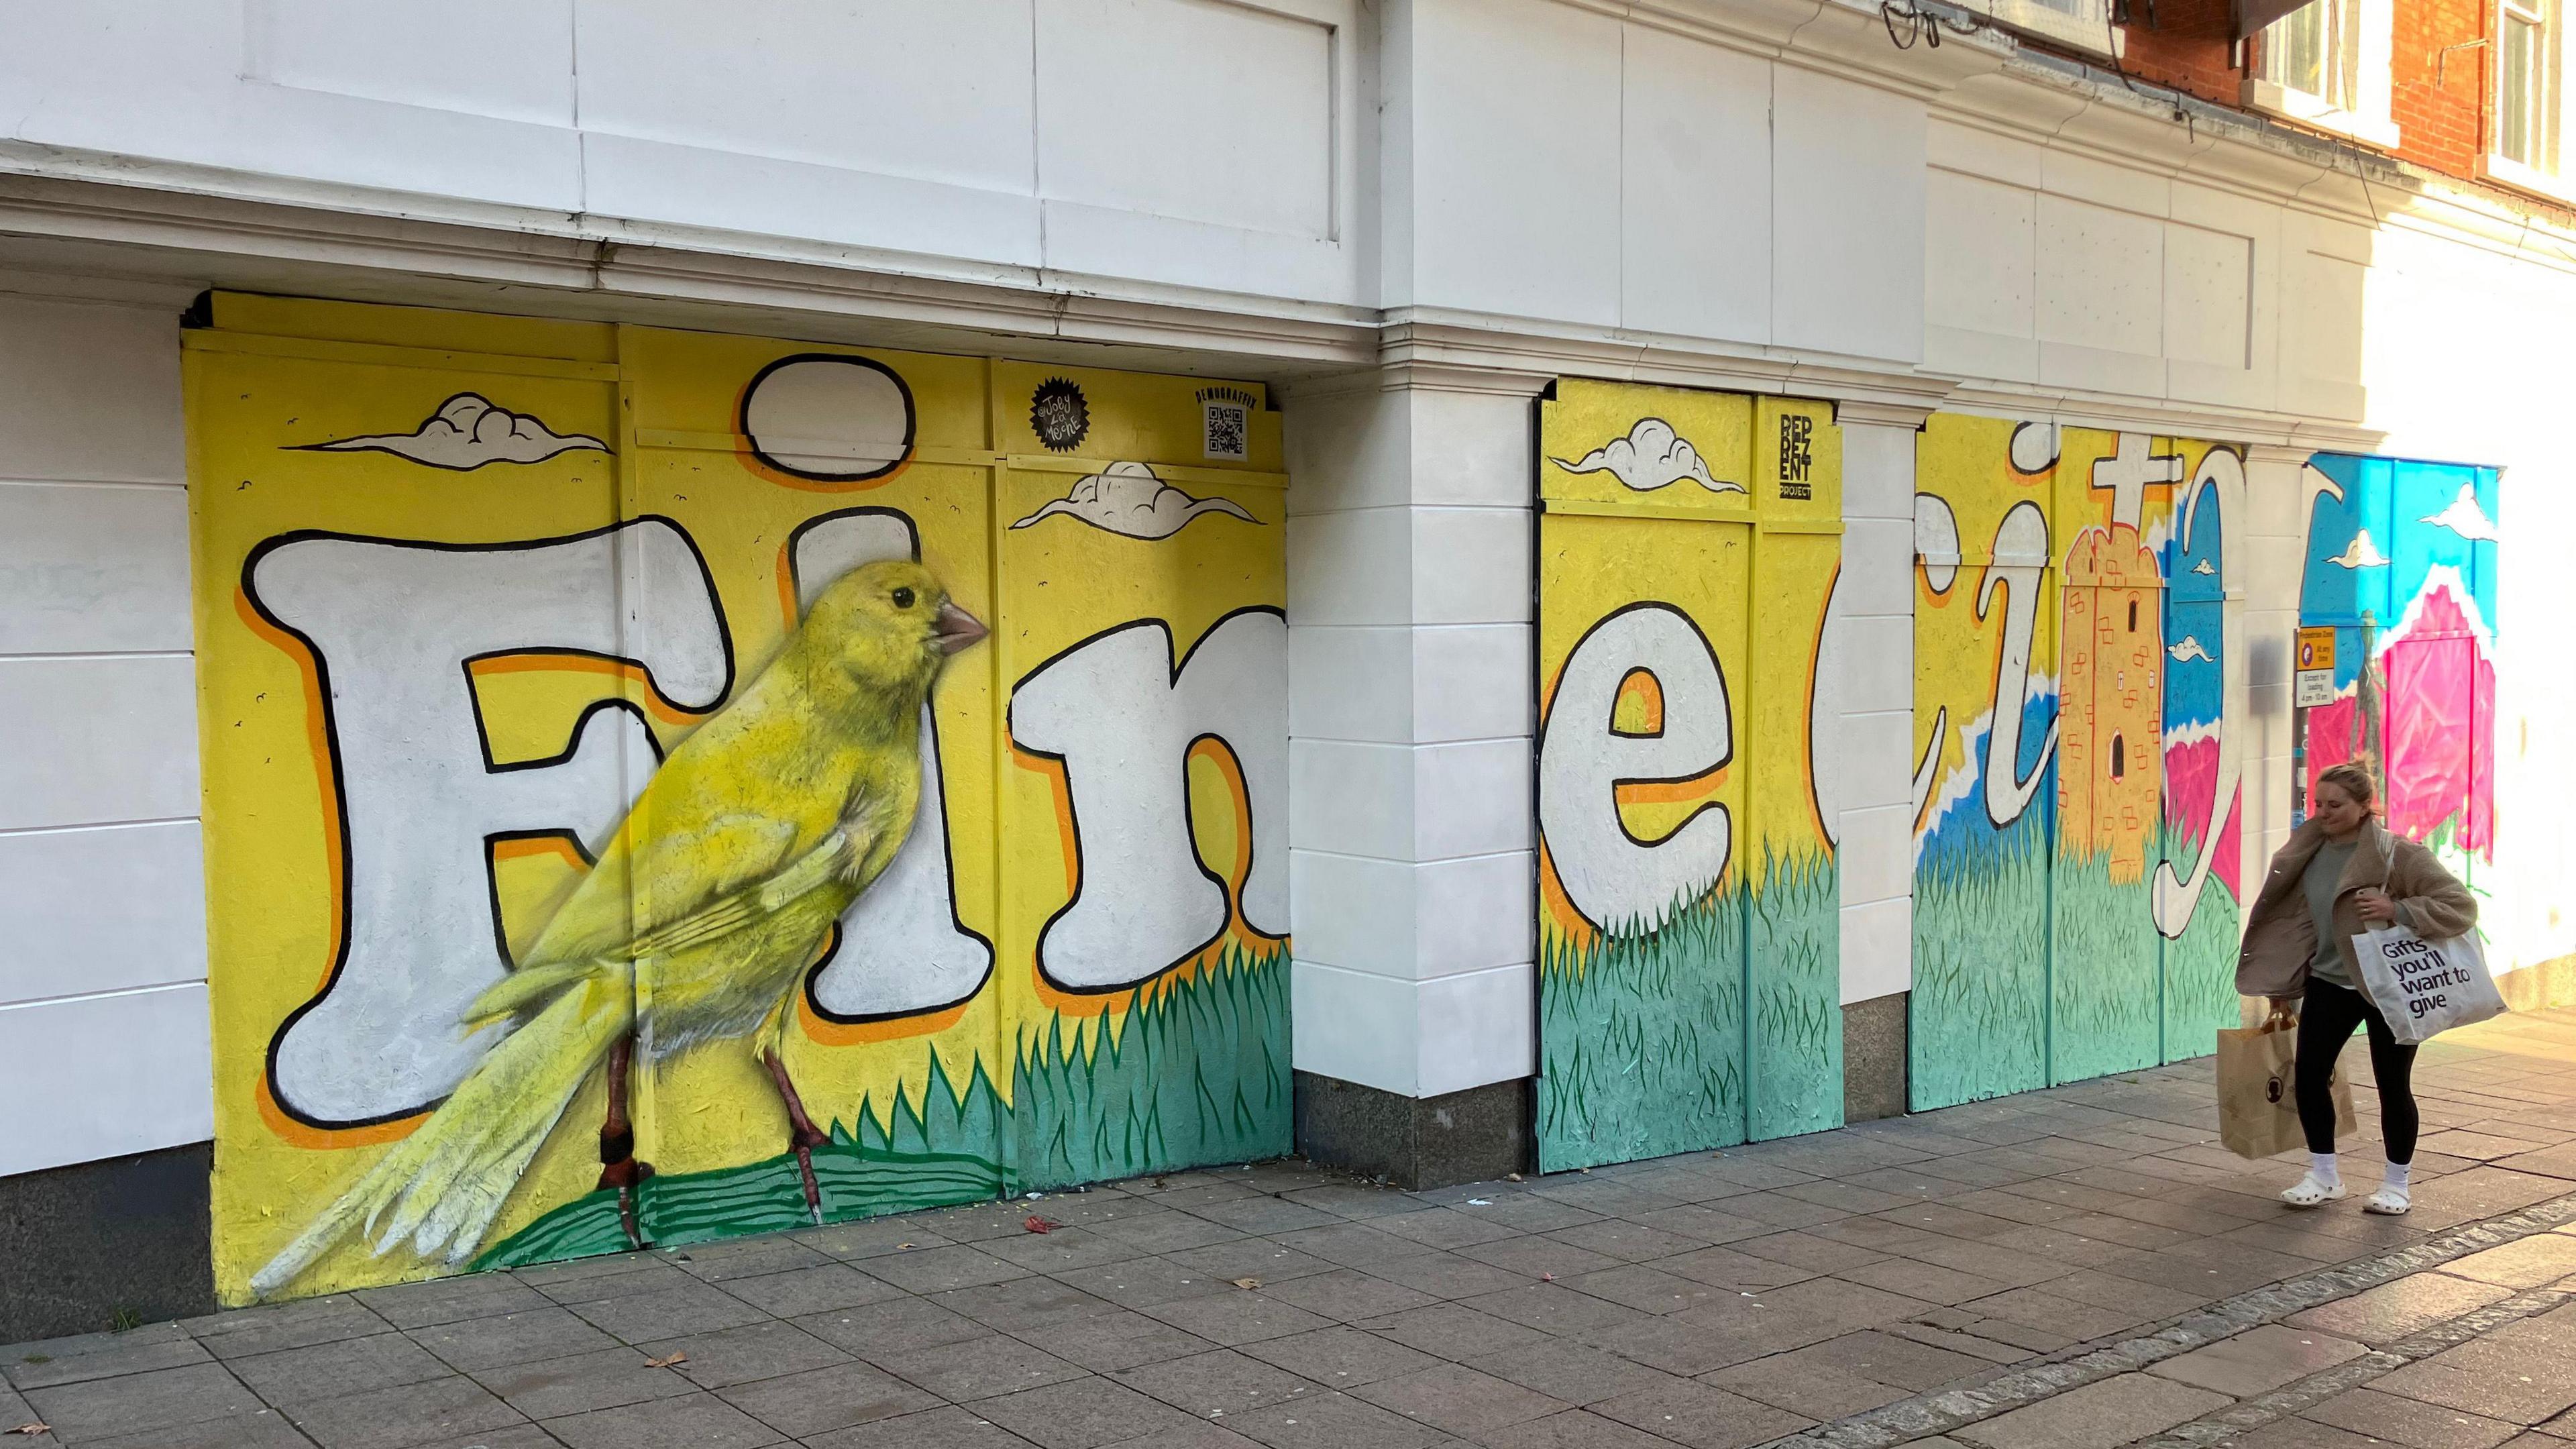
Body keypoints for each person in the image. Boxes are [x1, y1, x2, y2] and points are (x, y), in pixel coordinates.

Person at [2237, 762, 2477, 1215]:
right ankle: (2324, 1176)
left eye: (2336, 805)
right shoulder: (2306, 850)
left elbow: (2460, 907)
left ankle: (2396, 1185)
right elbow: (2296, 923)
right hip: (2329, 981)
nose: (2324, 812)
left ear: (2365, 807)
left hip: (2387, 985)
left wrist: (2398, 908)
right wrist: (2282, 981)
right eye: (2318, 803)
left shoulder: (2397, 854)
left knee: (2393, 1084)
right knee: (2308, 1075)